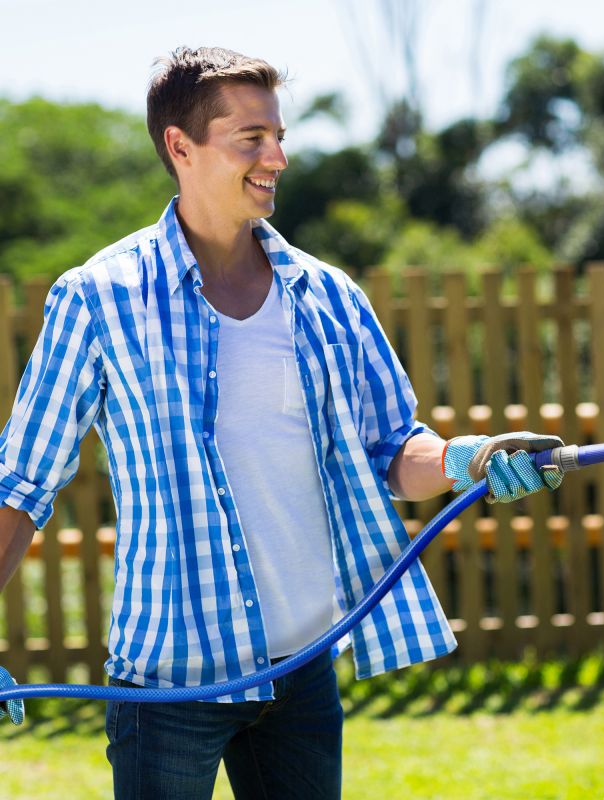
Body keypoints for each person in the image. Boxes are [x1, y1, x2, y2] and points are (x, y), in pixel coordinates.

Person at [0, 47, 563, 800]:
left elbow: (393, 448)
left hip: (302, 672)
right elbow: (23, 482)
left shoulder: (328, 295)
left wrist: (470, 459)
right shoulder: (99, 298)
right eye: (252, 139)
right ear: (180, 146)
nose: (278, 158)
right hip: (169, 683)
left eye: (279, 136)